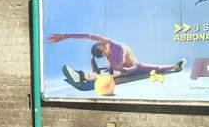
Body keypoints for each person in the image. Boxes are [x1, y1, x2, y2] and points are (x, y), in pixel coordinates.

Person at [48, 33, 186, 82]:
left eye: (101, 42)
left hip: (134, 67)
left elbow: (88, 36)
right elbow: (119, 70)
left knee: (158, 67)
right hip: (121, 69)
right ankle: (84, 75)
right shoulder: (110, 56)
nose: (104, 42)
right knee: (109, 71)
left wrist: (66, 36)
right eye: (102, 45)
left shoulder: (116, 48)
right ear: (104, 51)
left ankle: (176, 66)